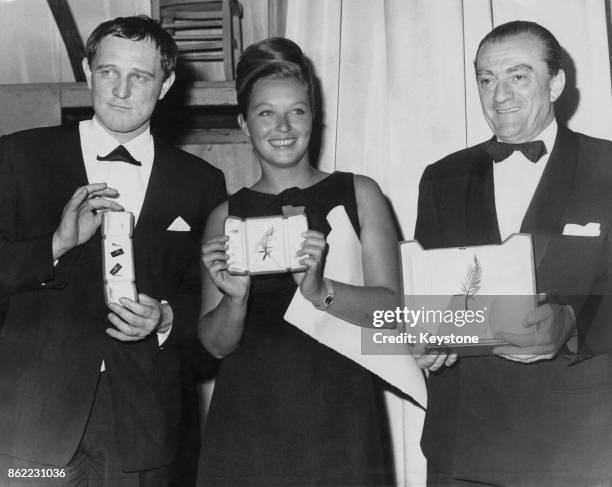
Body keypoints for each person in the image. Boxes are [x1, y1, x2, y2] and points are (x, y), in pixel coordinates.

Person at [0, 16, 226, 487]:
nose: (121, 90)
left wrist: (165, 319)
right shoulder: (18, 157)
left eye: (140, 76)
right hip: (31, 424)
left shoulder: (200, 182)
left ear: (165, 85)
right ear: (87, 73)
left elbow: (205, 298)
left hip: (141, 424)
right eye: (108, 72)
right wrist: (56, 244)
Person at [415, 20, 612, 486]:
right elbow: (426, 300)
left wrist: (572, 323)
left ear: (556, 83)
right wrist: (427, 335)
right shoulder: (441, 177)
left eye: (518, 76)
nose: (499, 94)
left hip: (581, 441)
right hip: (465, 441)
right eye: (486, 79)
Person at [197, 37, 398, 485]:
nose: (283, 126)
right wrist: (234, 301)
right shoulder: (224, 217)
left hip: (342, 413)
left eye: (297, 111)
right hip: (247, 423)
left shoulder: (359, 193)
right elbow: (215, 345)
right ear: (244, 124)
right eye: (266, 112)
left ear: (314, 117)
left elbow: (393, 312)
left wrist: (319, 291)